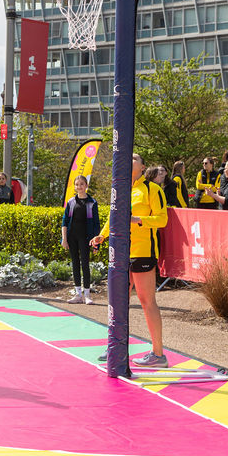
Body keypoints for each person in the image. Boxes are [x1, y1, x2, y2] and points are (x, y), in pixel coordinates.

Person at [91, 154, 169, 367]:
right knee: (118, 302)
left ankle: (158, 354)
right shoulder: (121, 190)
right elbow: (113, 217)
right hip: (122, 252)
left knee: (146, 301)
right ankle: (115, 348)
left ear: (143, 167)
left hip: (143, 251)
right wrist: (102, 235)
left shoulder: (152, 189)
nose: (130, 159)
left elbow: (162, 219)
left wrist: (137, 220)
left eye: (134, 158)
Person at [61, 175, 101, 304]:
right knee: (75, 265)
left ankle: (87, 295)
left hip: (86, 238)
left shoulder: (92, 202)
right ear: (75, 186)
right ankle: (78, 294)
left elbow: (96, 224)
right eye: (77, 184)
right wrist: (64, 239)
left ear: (86, 185)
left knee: (85, 264)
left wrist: (96, 244)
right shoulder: (71, 202)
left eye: (82, 184)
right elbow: (65, 222)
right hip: (72, 237)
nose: (79, 187)